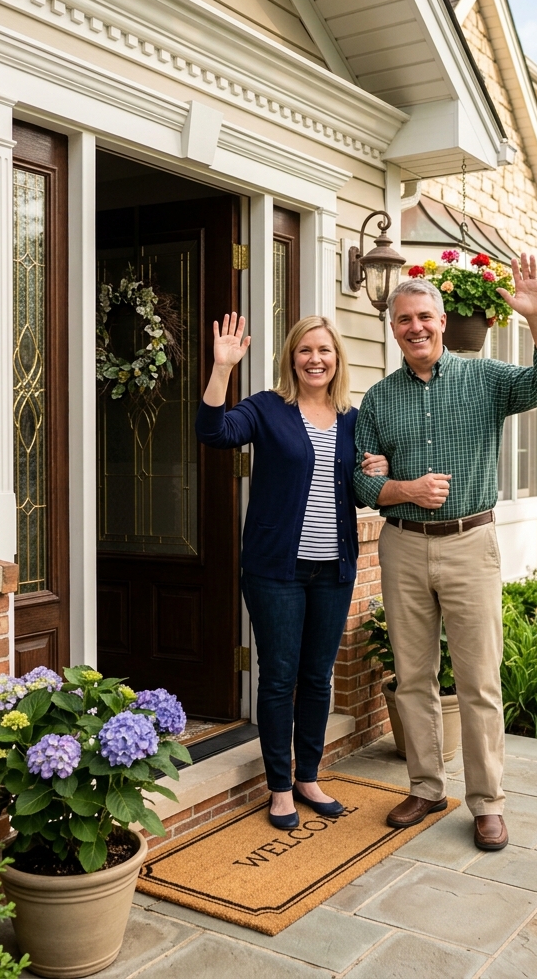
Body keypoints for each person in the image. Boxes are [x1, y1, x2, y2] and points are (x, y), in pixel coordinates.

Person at [353, 254, 537, 851]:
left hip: (470, 544)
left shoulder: (485, 380)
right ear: (393, 328)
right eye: (404, 319)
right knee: (413, 676)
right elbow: (361, 483)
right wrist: (404, 489)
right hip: (402, 546)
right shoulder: (379, 400)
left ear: (444, 322)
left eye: (425, 317)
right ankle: (426, 788)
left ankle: (487, 803)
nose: (415, 327)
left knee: (478, 681)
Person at [196, 313, 388, 829]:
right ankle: (280, 786)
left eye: (324, 350)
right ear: (291, 358)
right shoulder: (266, 408)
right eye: (305, 350)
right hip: (276, 571)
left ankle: (309, 776)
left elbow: (366, 483)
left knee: (318, 677)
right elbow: (213, 431)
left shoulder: (353, 419)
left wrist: (379, 469)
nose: (315, 359)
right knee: (280, 677)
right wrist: (222, 368)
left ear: (337, 358)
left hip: (334, 569)